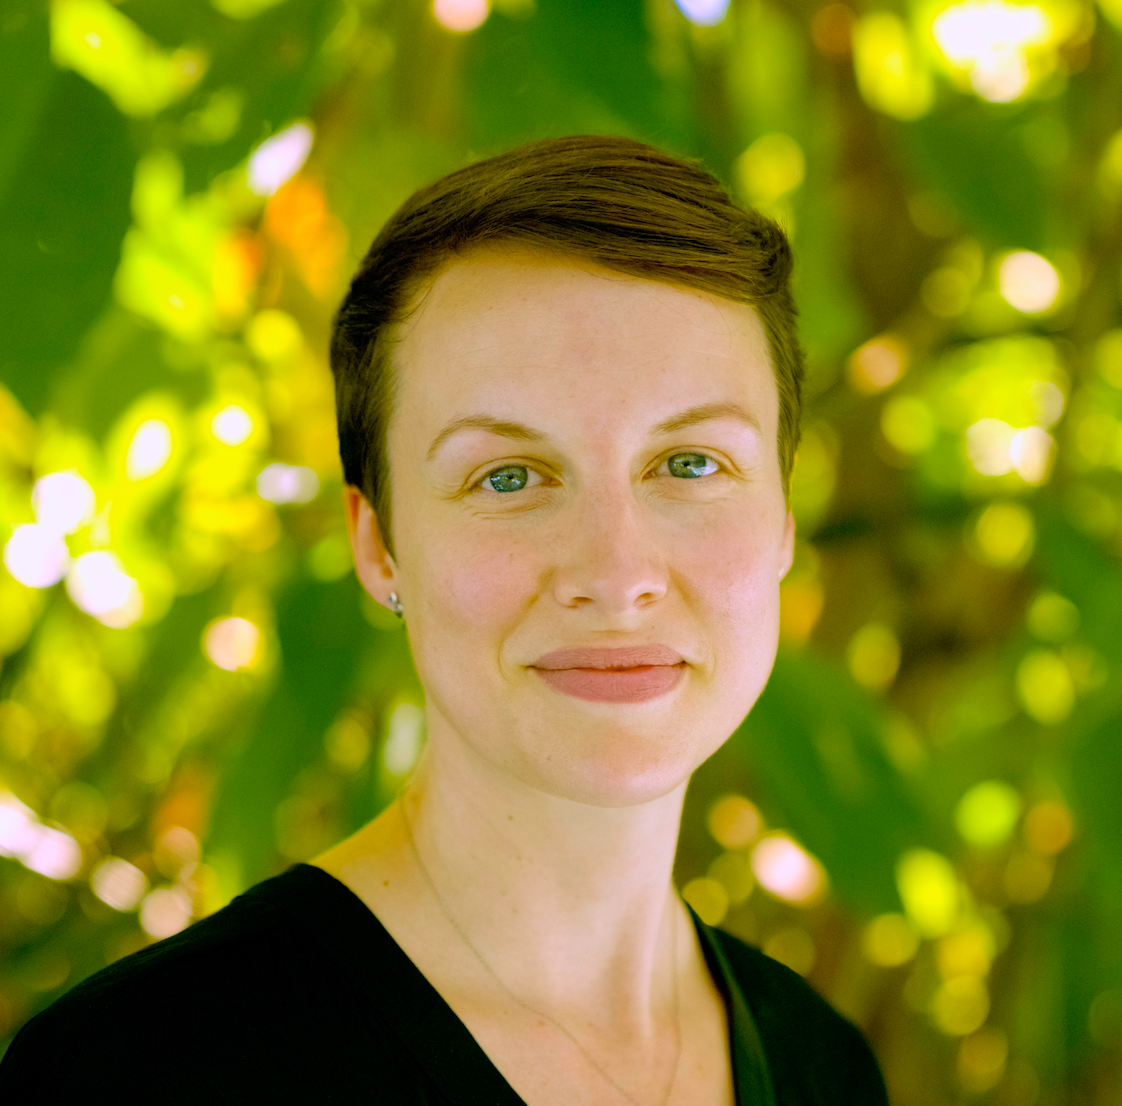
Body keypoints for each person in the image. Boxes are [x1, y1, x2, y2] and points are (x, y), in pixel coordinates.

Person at [0, 135, 887, 1105]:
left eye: (690, 464)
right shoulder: (139, 1071)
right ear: (378, 545)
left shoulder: (824, 1069)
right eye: (507, 477)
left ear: (784, 522)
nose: (616, 575)